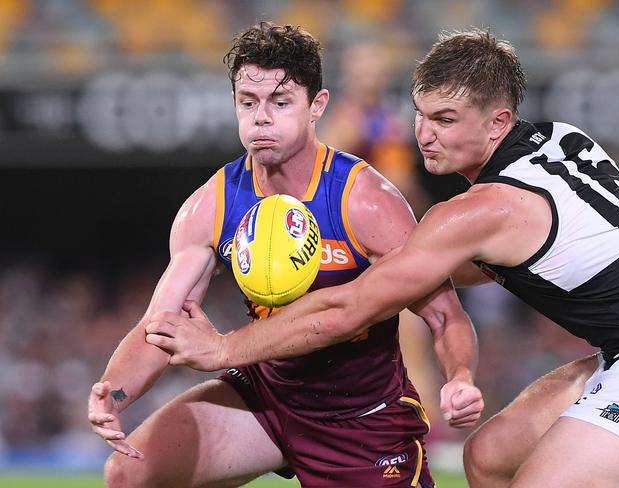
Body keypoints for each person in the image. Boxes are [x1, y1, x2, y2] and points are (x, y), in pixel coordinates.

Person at [147, 29, 619, 488]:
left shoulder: (480, 210)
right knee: (490, 457)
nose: (425, 134)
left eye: (446, 120)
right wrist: (390, 259)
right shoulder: (563, 139)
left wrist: (223, 350)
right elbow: (512, 256)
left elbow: (347, 310)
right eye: (421, 114)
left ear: (499, 121)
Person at [88, 22, 484, 488]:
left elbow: (444, 316)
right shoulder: (211, 205)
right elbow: (163, 322)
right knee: (128, 473)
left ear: (317, 106)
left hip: (361, 418)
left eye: (280, 102)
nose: (261, 118)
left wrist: (459, 375)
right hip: (266, 399)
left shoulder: (366, 201)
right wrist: (114, 393)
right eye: (248, 102)